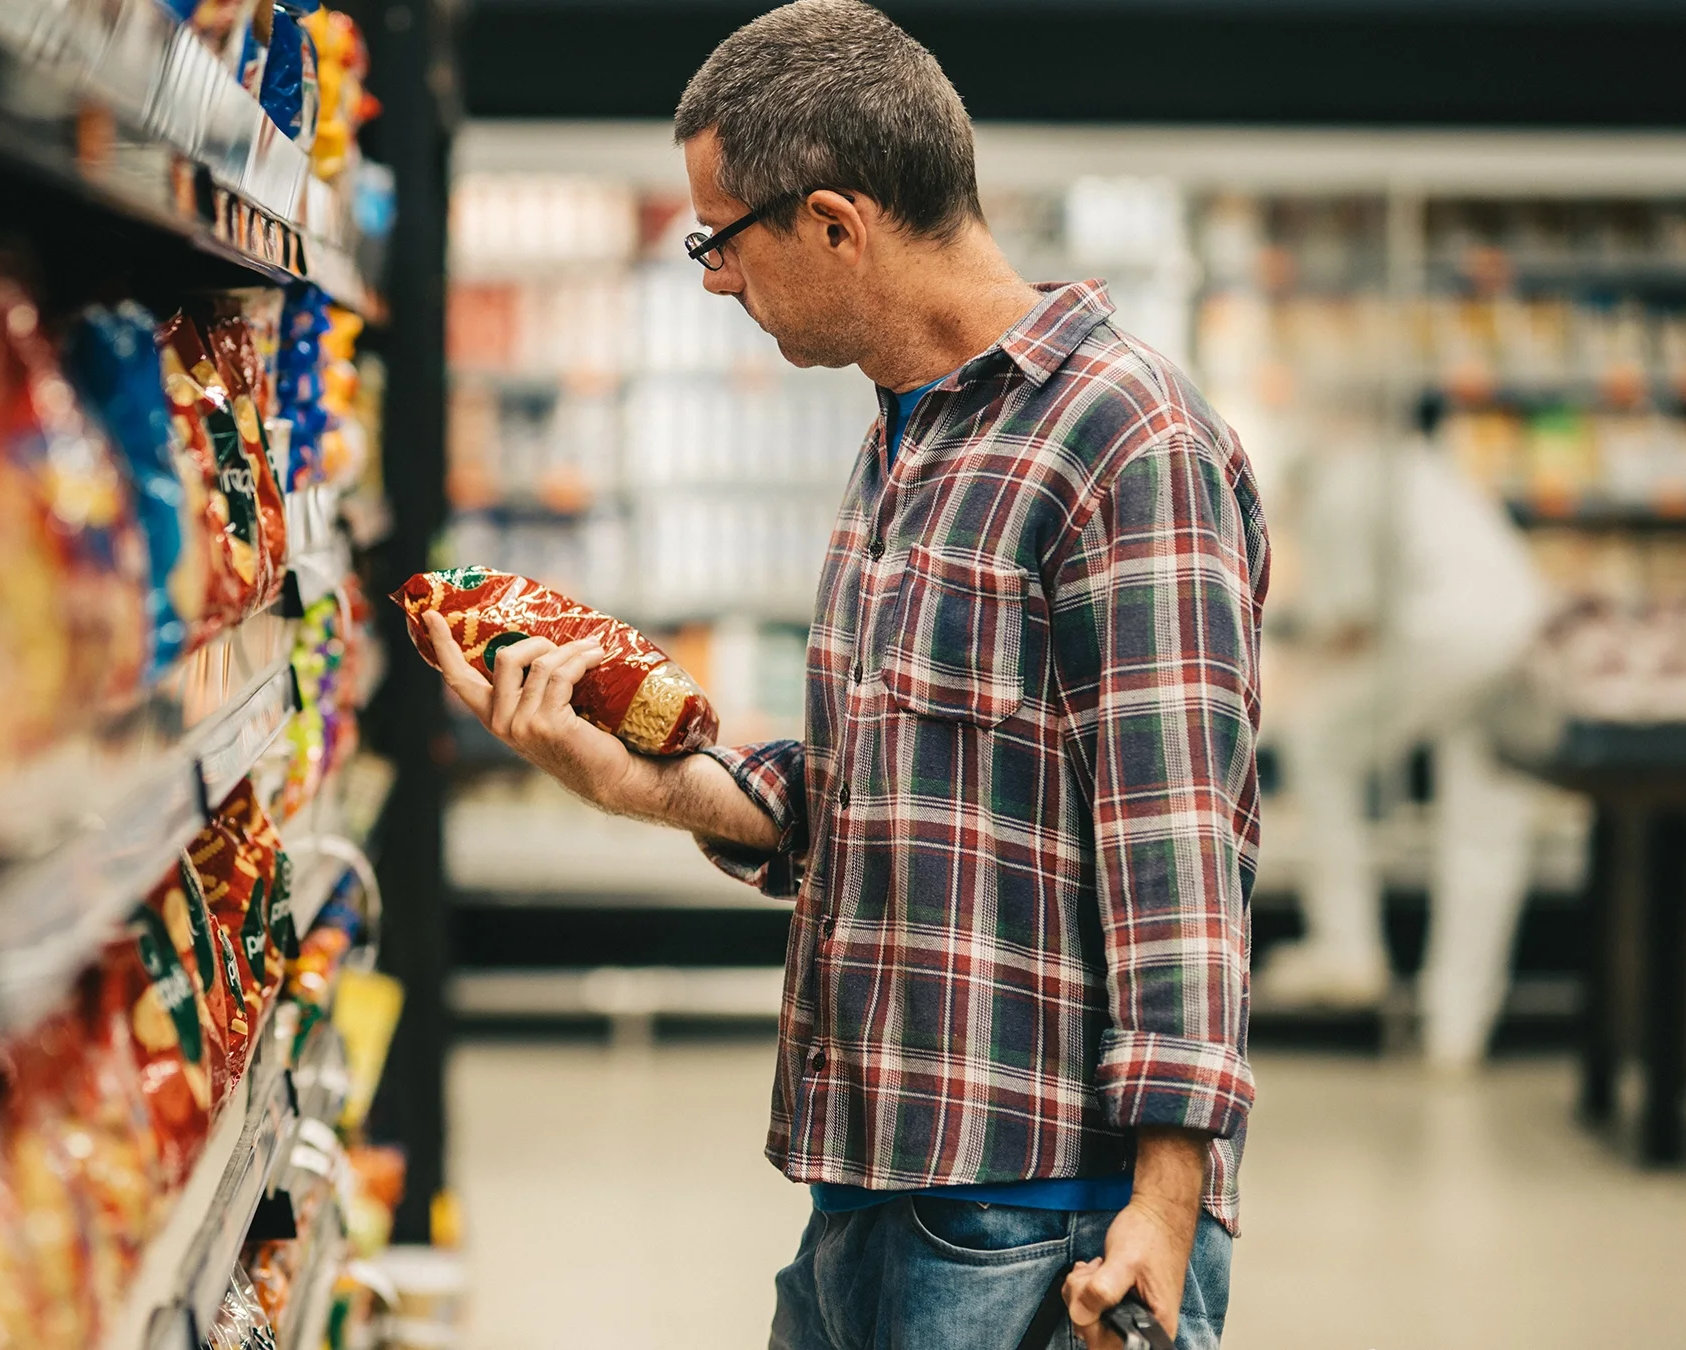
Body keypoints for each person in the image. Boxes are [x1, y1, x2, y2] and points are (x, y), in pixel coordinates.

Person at [426, 3, 1264, 1347]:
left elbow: (1179, 851)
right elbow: (868, 799)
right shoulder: (908, 443)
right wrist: (635, 782)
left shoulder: (1123, 439)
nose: (709, 277)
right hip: (870, 1186)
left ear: (832, 221)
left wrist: (1168, 1199)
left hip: (1040, 1213)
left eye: (719, 239)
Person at [1256, 438, 1550, 1070]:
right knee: (1485, 835)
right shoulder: (1408, 463)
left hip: (1446, 632)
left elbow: (1352, 626)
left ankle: (1348, 945)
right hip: (1519, 626)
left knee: (1319, 740)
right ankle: (1456, 1032)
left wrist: (1283, 660)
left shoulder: (1333, 493)